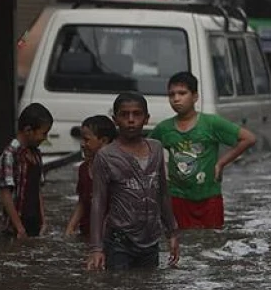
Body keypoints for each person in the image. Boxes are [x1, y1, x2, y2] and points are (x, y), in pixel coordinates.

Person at [149, 72, 257, 230]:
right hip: (177, 197)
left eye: (182, 93)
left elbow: (249, 138)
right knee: (181, 240)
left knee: (212, 242)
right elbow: (147, 151)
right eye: (171, 94)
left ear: (195, 97)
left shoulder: (211, 123)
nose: (176, 99)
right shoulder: (164, 128)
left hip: (209, 197)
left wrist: (221, 163)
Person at [87, 92, 180, 272]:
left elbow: (162, 193)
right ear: (115, 119)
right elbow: (98, 202)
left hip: (150, 240)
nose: (131, 120)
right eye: (124, 114)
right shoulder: (106, 156)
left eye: (137, 114)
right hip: (119, 241)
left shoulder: (156, 149)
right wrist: (96, 248)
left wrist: (172, 232)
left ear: (146, 119)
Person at [0, 103, 53, 239]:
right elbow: (6, 195)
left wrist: (43, 222)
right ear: (28, 130)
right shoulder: (10, 155)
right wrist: (19, 228)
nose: (45, 138)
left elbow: (37, 189)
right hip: (15, 229)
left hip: (34, 225)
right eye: (43, 133)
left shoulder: (36, 154)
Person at [65, 115, 117, 239]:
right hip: (87, 233)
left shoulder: (117, 170)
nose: (82, 144)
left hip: (110, 237)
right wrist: (70, 227)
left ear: (104, 141)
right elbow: (82, 201)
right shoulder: (83, 168)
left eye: (86, 140)